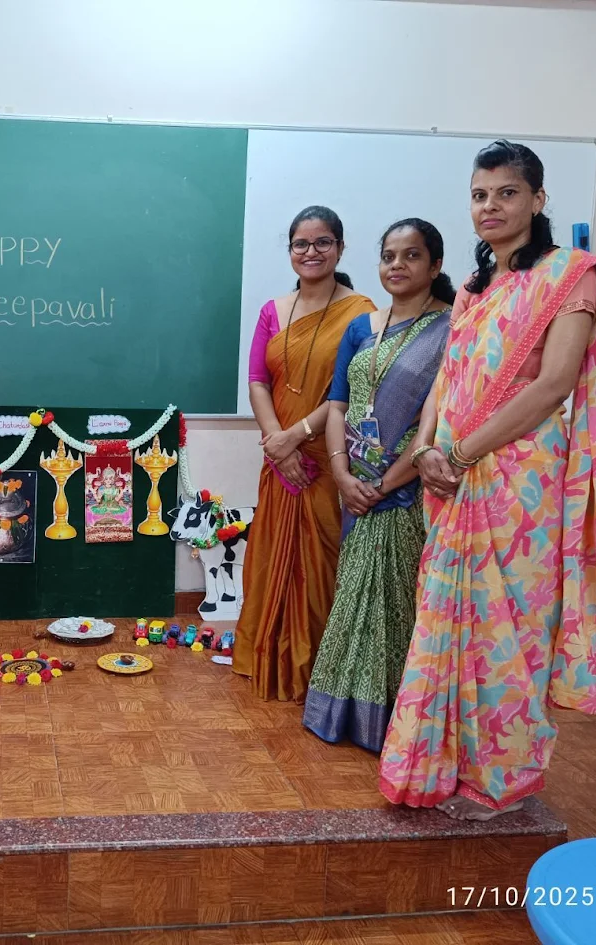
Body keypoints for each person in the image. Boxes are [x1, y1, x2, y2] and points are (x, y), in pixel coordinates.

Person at [379, 141, 596, 820]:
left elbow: (554, 384)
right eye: (479, 194)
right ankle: (438, 765)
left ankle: (502, 781)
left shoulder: (571, 275)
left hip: (520, 485)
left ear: (537, 200)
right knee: (449, 620)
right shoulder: (473, 289)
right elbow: (448, 377)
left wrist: (461, 451)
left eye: (505, 193)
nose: (490, 206)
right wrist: (431, 445)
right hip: (453, 478)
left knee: (509, 630)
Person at [303, 219, 453, 752]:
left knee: (397, 606)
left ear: (435, 266)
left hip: (410, 494)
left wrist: (385, 483)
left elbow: (439, 420)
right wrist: (343, 475)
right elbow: (338, 404)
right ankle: (339, 712)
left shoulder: (453, 329)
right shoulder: (362, 327)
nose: (397, 265)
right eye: (389, 255)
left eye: (411, 256)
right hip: (355, 488)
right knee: (354, 599)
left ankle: (393, 719)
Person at [232, 207, 376, 702]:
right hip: (280, 459)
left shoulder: (362, 312)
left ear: (339, 248)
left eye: (322, 243)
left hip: (327, 455)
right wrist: (277, 442)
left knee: (322, 565)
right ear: (289, 249)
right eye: (301, 244)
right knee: (271, 559)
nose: (311, 252)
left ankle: (319, 666)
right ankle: (264, 655)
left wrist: (296, 435)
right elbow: (256, 380)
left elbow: (355, 390)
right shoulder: (274, 309)